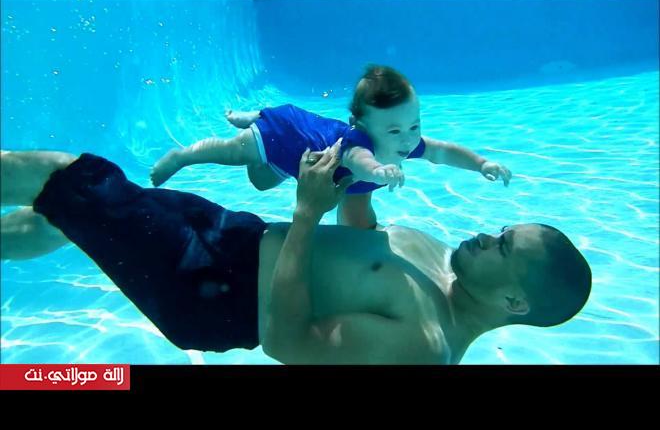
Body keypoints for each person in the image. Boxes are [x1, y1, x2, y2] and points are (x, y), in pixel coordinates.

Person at [0, 145, 590, 364]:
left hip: (209, 289)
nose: (486, 236)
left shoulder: (424, 344)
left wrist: (307, 213)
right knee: (67, 217)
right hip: (236, 237)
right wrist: (358, 171)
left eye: (502, 246)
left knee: (73, 178)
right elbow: (362, 238)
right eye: (500, 229)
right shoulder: (444, 259)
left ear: (514, 301)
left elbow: (288, 342)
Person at [150, 65, 512, 229]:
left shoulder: (405, 143)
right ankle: (185, 156)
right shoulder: (358, 146)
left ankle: (256, 118)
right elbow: (363, 164)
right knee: (235, 153)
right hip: (285, 134)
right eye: (394, 130)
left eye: (414, 126)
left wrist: (481, 163)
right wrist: (381, 171)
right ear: (362, 126)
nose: (407, 139)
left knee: (262, 182)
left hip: (307, 161)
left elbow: (442, 151)